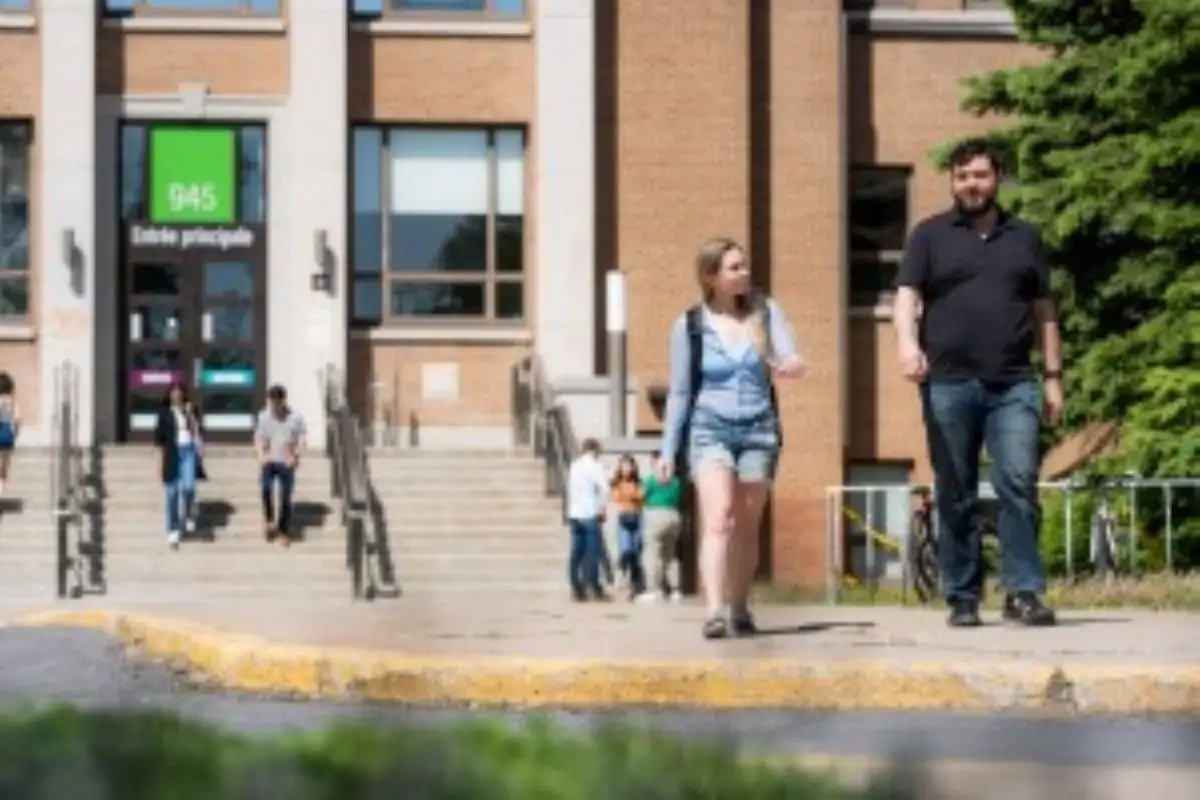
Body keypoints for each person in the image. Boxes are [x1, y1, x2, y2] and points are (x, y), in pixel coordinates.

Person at [893, 137, 1063, 628]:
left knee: (1018, 482)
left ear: (997, 179)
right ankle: (963, 595)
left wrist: (1053, 377)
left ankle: (1024, 592)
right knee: (956, 489)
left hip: (1014, 384)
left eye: (980, 176)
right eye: (963, 176)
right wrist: (907, 345)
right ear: (953, 181)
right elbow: (907, 295)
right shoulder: (929, 235)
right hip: (948, 381)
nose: (971, 184)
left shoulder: (1024, 238)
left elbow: (1044, 311)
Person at [658, 236, 804, 639]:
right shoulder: (689, 326)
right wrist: (668, 449)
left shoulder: (767, 312)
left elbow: (792, 356)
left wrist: (791, 363)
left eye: (745, 265)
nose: (745, 273)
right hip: (710, 428)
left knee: (746, 524)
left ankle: (740, 606)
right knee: (719, 517)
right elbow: (680, 392)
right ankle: (714, 610)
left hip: (759, 428)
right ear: (711, 277)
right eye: (734, 267)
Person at [153, 381, 206, 549]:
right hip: (171, 453)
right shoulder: (164, 413)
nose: (177, 395)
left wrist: (190, 414)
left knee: (189, 487)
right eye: (174, 392)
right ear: (169, 395)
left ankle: (189, 512)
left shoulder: (191, 410)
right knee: (172, 493)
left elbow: (199, 431)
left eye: (180, 392)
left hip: (188, 451)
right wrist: (159, 463)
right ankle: (173, 529)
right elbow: (159, 440)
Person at [254, 384, 306, 546]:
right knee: (266, 488)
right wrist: (261, 455)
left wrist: (296, 456)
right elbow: (258, 438)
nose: (275, 406)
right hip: (270, 460)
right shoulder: (263, 417)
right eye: (272, 402)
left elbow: (302, 439)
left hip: (286, 460)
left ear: (283, 401)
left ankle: (283, 530)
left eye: (277, 402)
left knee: (285, 496)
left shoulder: (295, 417)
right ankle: (269, 521)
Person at [566, 438, 611, 602]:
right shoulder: (595, 466)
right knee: (592, 552)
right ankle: (594, 587)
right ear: (594, 450)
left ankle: (576, 588)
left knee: (576, 553)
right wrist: (602, 508)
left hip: (575, 513)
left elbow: (570, 489)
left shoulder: (574, 465)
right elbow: (605, 488)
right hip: (589, 512)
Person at [642, 452, 683, 602]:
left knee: (652, 554)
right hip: (673, 515)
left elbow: (641, 495)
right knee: (670, 555)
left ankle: (654, 589)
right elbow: (678, 497)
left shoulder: (651, 480)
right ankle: (675, 589)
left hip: (655, 514)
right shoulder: (676, 481)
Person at [610, 454, 646, 600]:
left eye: (629, 466)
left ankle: (635, 583)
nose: (626, 469)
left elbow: (641, 496)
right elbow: (616, 497)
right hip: (623, 518)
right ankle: (622, 576)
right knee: (626, 550)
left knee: (636, 552)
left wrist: (631, 496)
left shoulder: (639, 482)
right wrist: (632, 496)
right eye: (623, 466)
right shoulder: (616, 482)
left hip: (637, 517)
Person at [0, 372, 20, 497]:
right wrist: (14, 435)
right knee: (3, 472)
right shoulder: (12, 404)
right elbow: (17, 421)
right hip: (7, 439)